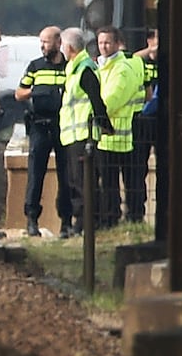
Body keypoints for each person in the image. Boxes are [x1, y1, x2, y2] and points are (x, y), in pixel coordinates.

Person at [12, 26, 69, 238]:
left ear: (58, 42)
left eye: (46, 42)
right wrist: (36, 91)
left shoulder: (69, 66)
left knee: (66, 175)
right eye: (41, 42)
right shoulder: (35, 66)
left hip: (63, 125)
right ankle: (32, 219)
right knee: (36, 174)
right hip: (39, 125)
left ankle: (66, 221)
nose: (43, 46)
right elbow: (19, 93)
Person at [59, 26, 114, 231]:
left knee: (84, 181)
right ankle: (86, 221)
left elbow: (96, 100)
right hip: (73, 134)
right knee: (76, 180)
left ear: (70, 47)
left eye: (63, 45)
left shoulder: (84, 69)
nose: (61, 49)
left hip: (84, 134)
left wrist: (104, 124)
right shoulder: (74, 66)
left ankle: (86, 222)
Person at [97, 27, 146, 230]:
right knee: (108, 183)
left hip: (119, 134)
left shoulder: (121, 68)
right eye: (100, 43)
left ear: (118, 43)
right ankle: (111, 218)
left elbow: (112, 99)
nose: (103, 47)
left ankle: (132, 217)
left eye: (107, 42)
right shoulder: (102, 66)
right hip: (105, 135)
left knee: (129, 180)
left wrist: (96, 111)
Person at [134, 30, 160, 224]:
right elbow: (133, 57)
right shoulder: (141, 61)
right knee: (138, 165)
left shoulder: (166, 62)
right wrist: (151, 50)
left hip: (162, 118)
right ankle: (137, 211)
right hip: (144, 117)